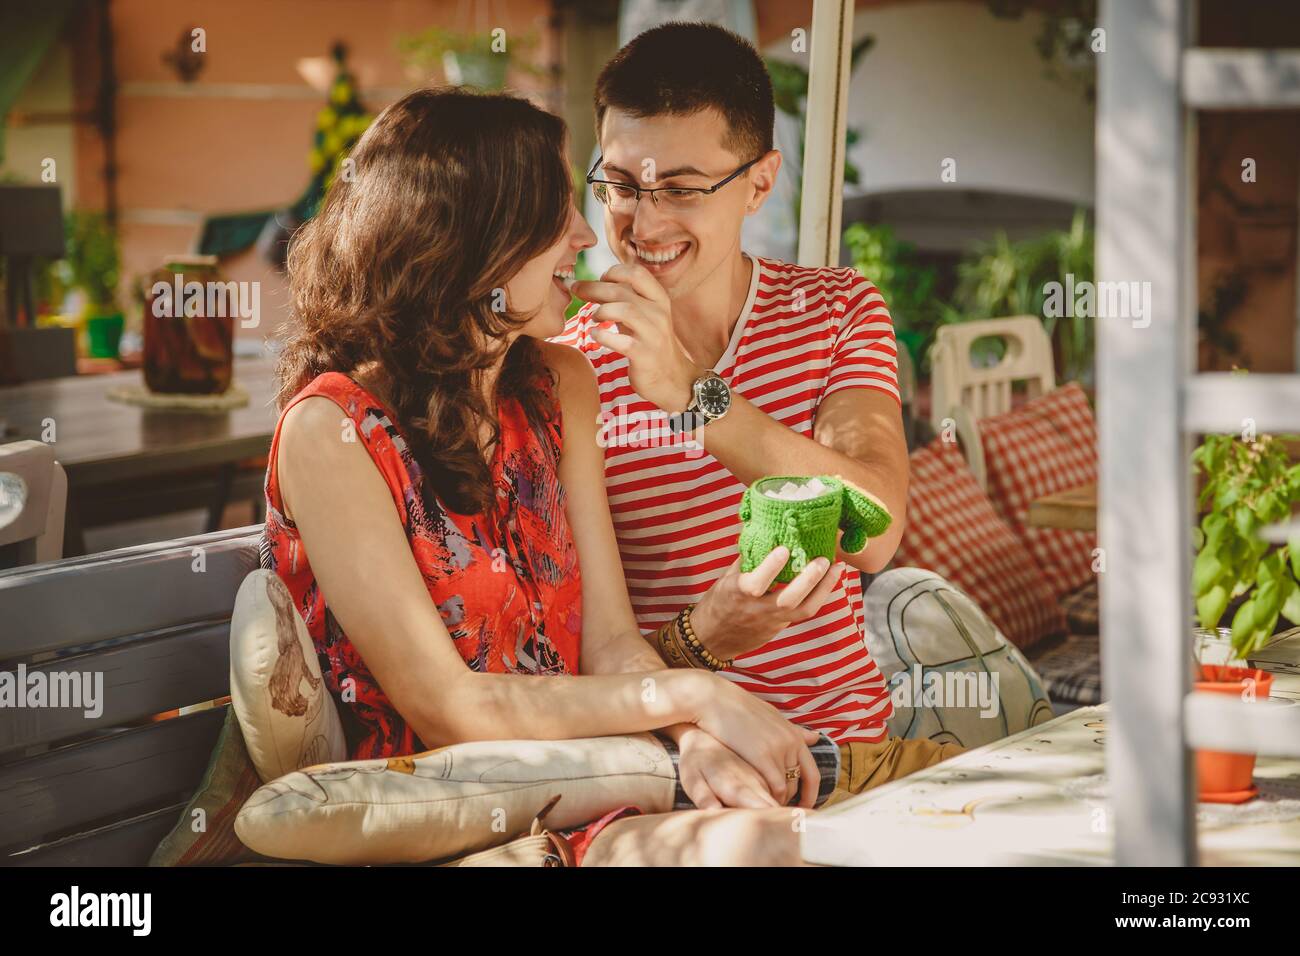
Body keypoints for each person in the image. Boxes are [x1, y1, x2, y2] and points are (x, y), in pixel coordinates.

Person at [262, 86, 820, 866]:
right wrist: (695, 695)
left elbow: (613, 646)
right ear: (472, 237)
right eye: (556, 214)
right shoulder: (332, 431)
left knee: (797, 843)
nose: (587, 236)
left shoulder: (559, 385)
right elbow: (453, 708)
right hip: (437, 817)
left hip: (584, 787)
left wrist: (692, 742)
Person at [554, 21, 963, 812]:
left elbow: (875, 531)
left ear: (760, 181)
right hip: (687, 779)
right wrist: (704, 643)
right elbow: (590, 655)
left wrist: (691, 394)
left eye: (681, 187)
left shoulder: (837, 311)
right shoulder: (567, 372)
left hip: (853, 756)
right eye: (623, 185)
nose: (643, 222)